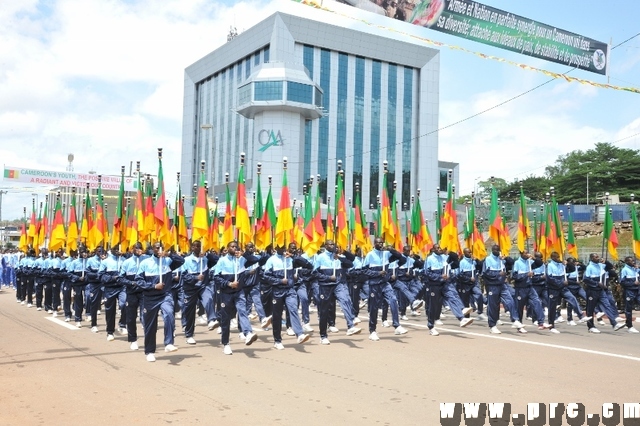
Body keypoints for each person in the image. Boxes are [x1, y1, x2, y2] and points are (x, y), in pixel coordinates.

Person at [133, 242, 185, 362]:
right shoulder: (145, 263)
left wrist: (169, 254)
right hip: (150, 297)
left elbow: (181, 261)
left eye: (161, 248)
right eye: (157, 248)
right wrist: (153, 286)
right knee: (150, 325)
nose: (159, 250)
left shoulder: (167, 261)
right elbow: (139, 281)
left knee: (169, 314)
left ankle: (169, 343)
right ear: (153, 249)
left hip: (165, 295)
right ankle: (150, 351)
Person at [211, 241, 259, 355]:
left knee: (242, 311)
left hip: (239, 292)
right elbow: (216, 278)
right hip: (226, 294)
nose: (234, 248)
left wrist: (244, 254)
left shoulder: (241, 259)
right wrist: (228, 284)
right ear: (227, 248)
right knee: (226, 319)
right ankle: (226, 343)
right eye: (232, 246)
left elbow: (254, 260)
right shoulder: (222, 260)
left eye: (236, 247)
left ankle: (248, 333)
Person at [262, 243, 312, 350]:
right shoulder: (271, 260)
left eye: (284, 247)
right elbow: (266, 276)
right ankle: (277, 340)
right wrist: (279, 280)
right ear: (276, 248)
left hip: (290, 290)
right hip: (277, 291)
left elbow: (308, 265)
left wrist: (294, 256)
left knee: (293, 309)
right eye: (281, 247)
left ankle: (299, 334)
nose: (283, 249)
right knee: (277, 316)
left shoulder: (290, 259)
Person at [313, 240, 362, 345]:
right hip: (325, 286)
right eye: (330, 244)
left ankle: (350, 326)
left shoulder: (338, 257)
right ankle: (323, 335)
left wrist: (339, 257)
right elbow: (314, 273)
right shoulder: (320, 257)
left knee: (345, 300)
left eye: (333, 244)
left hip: (338, 285)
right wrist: (328, 277)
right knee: (324, 311)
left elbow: (350, 264)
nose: (332, 246)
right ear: (325, 246)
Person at [362, 237, 408, 341]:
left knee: (393, 301)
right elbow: (364, 271)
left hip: (385, 284)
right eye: (379, 243)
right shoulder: (370, 255)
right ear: (374, 243)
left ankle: (397, 326)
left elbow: (402, 259)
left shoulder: (386, 254)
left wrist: (392, 250)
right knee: (374, 308)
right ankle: (372, 331)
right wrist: (377, 273)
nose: (381, 244)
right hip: (374, 285)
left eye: (382, 243)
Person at [179, 240, 219, 345]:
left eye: (198, 246)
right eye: (194, 246)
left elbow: (217, 259)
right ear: (191, 247)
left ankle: (211, 320)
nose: (196, 248)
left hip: (203, 286)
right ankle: (189, 335)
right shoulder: (186, 260)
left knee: (209, 298)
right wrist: (196, 277)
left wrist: (206, 253)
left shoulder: (205, 259)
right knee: (190, 313)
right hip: (190, 289)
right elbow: (184, 276)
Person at [482, 245, 525, 334]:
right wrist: (498, 274)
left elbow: (511, 263)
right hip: (492, 285)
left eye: (499, 250)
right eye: (496, 250)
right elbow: (485, 274)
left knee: (510, 301)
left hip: (502, 285)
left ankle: (515, 320)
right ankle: (492, 325)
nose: (498, 252)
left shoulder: (501, 259)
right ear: (492, 250)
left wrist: (506, 258)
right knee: (493, 306)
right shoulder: (488, 260)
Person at [582, 253, 625, 334]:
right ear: (591, 258)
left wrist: (606, 261)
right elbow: (586, 279)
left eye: (598, 256)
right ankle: (591, 326)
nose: (598, 258)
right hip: (592, 291)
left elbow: (610, 267)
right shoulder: (589, 267)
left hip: (601, 291)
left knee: (607, 305)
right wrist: (597, 284)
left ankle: (614, 324)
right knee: (590, 309)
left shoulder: (600, 265)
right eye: (596, 257)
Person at [119, 242, 148, 350]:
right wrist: (131, 283)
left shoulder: (147, 260)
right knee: (131, 318)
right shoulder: (126, 262)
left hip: (144, 292)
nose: (138, 250)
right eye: (136, 248)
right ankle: (133, 340)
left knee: (145, 316)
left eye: (140, 248)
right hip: (131, 293)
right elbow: (121, 278)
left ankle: (148, 339)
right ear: (132, 250)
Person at [511, 251, 548, 331]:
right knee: (519, 308)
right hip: (520, 288)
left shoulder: (530, 262)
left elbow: (540, 264)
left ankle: (541, 322)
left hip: (530, 287)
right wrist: (526, 275)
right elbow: (514, 276)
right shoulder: (517, 263)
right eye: (525, 253)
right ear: (521, 254)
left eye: (528, 253)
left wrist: (534, 258)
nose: (527, 254)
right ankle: (519, 325)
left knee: (537, 302)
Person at [619, 256, 640, 333]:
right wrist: (633, 283)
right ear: (627, 262)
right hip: (629, 291)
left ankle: (627, 323)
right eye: (631, 261)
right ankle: (630, 326)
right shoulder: (625, 270)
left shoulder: (635, 269)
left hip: (637, 291)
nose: (633, 262)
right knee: (628, 309)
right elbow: (622, 282)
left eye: (634, 261)